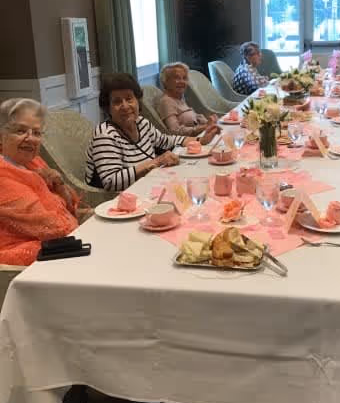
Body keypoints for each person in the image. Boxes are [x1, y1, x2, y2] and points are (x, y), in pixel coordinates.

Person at [86, 73, 205, 191]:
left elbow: (167, 141)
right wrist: (157, 161)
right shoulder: (105, 135)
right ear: (108, 108)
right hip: (120, 199)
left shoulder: (141, 123)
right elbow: (111, 182)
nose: (125, 106)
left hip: (148, 186)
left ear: (137, 101)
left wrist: (201, 140)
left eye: (129, 99)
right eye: (117, 102)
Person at [0, 99, 80, 266]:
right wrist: (60, 200)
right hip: (25, 267)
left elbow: (72, 203)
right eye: (20, 131)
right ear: (1, 136)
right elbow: (55, 228)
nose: (31, 139)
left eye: (36, 133)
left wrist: (58, 184)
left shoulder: (32, 161)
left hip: (55, 249)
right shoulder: (3, 177)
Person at [155, 62, 221, 139]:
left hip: (198, 137)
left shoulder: (179, 98)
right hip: (187, 143)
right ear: (165, 82)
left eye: (184, 78)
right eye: (177, 78)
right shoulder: (166, 102)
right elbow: (175, 131)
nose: (182, 82)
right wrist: (205, 127)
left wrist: (208, 122)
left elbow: (194, 116)